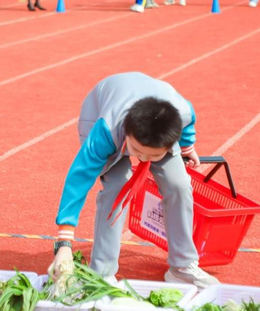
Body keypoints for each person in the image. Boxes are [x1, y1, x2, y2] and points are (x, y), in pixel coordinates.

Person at [49, 72, 220, 288]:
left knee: (179, 184)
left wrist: (187, 148)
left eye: (153, 155)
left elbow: (189, 119)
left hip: (153, 119)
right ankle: (102, 274)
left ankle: (183, 266)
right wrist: (64, 243)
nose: (142, 159)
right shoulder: (105, 131)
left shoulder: (181, 111)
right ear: (127, 134)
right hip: (99, 109)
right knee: (118, 186)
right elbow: (78, 178)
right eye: (137, 150)